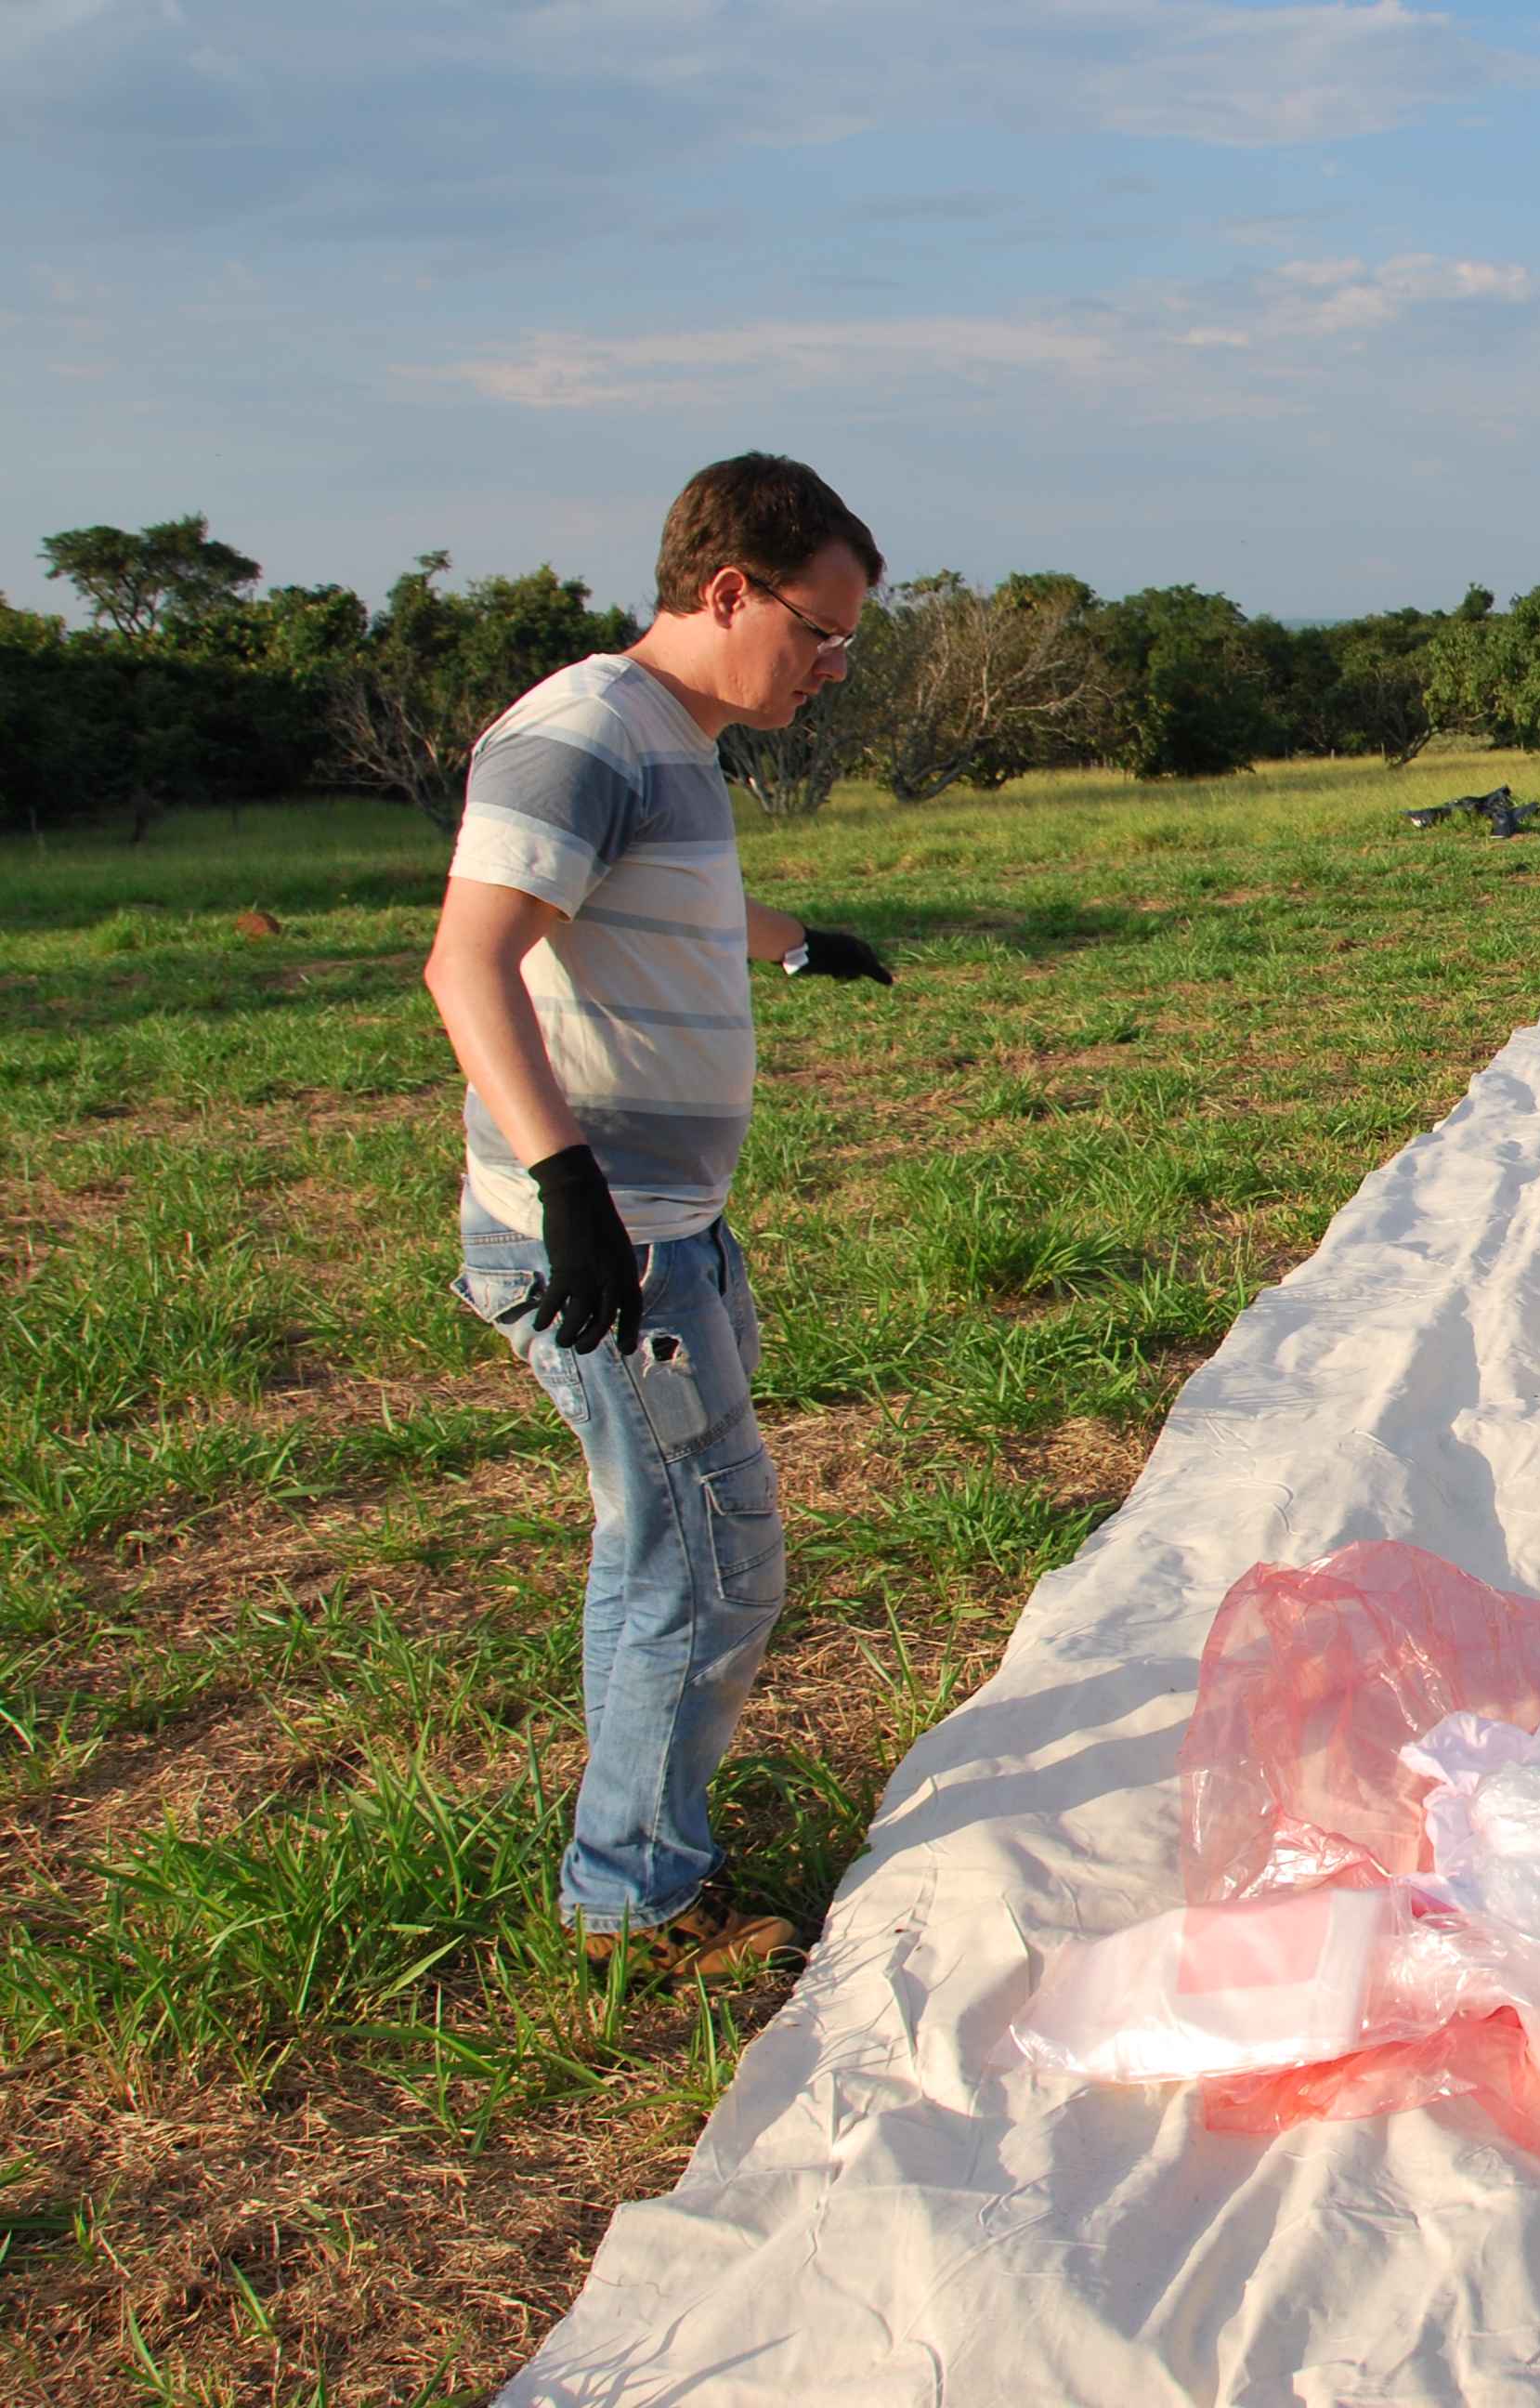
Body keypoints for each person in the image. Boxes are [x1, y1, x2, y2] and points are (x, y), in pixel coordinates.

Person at [421, 453, 899, 1985]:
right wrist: (564, 1188)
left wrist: (804, 944)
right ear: (725, 591)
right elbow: (468, 961)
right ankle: (632, 1889)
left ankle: (633, 1849)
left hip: (673, 1221)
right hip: (610, 1238)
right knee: (705, 1551)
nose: (830, 666)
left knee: (670, 1541)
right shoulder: (580, 734)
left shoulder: (675, 742)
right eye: (818, 632)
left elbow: (674, 905)